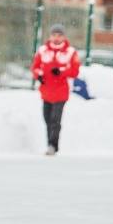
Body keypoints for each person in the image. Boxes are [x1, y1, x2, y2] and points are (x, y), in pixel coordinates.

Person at [31, 24, 81, 156]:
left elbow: (75, 71)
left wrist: (61, 72)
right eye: (54, 35)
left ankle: (53, 145)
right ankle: (50, 143)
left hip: (60, 93)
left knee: (55, 119)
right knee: (47, 118)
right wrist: (39, 75)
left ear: (63, 37)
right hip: (46, 92)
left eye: (59, 35)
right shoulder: (42, 50)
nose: (56, 38)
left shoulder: (70, 52)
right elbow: (35, 67)